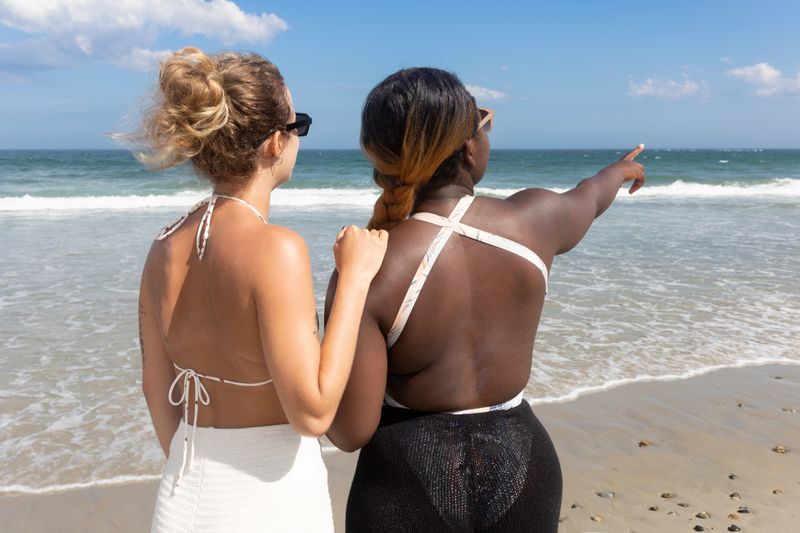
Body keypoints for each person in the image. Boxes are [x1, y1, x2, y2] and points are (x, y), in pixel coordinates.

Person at [324, 67, 645, 532]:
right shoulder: (536, 220)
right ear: (470, 148)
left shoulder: (369, 267)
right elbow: (589, 198)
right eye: (484, 121)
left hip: (404, 478)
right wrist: (620, 171)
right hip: (523, 466)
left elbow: (350, 431)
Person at [133, 47, 388, 533]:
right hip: (270, 500)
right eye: (299, 126)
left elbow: (155, 389)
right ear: (275, 143)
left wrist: (197, 467)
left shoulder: (162, 245)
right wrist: (355, 280)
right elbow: (313, 414)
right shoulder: (276, 249)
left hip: (181, 495)